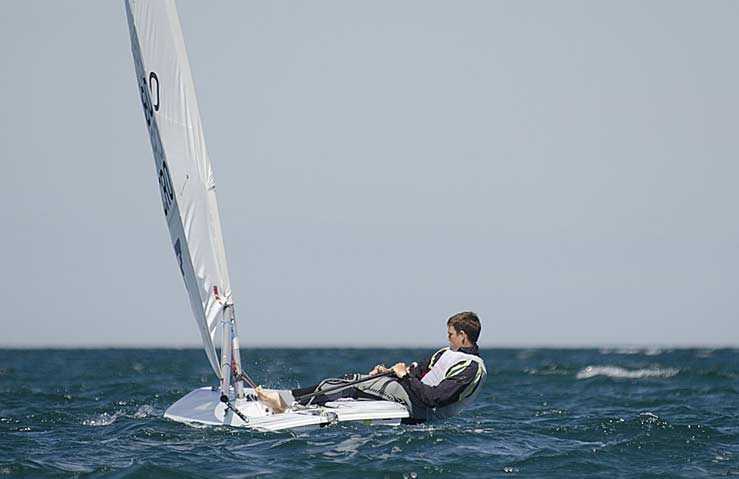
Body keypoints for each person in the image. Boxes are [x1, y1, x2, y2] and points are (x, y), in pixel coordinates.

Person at [255, 311, 487, 422]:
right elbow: (416, 372)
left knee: (351, 382)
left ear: (463, 336)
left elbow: (434, 398)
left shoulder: (471, 367)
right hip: (411, 395)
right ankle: (294, 400)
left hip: (422, 410)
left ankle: (285, 401)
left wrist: (404, 377)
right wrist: (390, 372)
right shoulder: (445, 353)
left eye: (450, 334)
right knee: (359, 382)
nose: (447, 337)